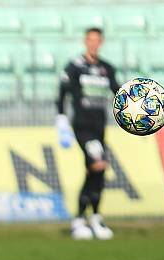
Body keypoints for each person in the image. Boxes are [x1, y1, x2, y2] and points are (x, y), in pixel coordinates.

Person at [56, 27, 120, 240]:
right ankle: (88, 219)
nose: (93, 43)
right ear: (85, 41)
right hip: (82, 126)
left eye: (97, 40)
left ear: (101, 42)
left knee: (95, 171)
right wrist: (62, 119)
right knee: (99, 164)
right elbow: (62, 94)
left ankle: (87, 218)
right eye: (90, 40)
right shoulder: (75, 67)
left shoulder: (107, 68)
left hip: (100, 126)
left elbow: (118, 93)